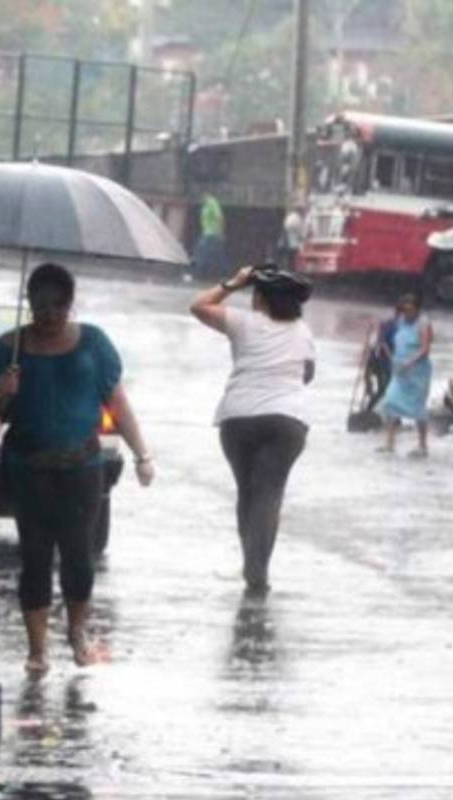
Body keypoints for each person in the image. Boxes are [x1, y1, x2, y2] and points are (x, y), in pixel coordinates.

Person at [0, 263, 154, 675]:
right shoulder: (8, 349)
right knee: (35, 556)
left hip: (82, 469)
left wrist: (142, 454)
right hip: (29, 469)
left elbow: (116, 402)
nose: (48, 316)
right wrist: (4, 392)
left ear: (70, 304)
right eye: (40, 307)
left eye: (57, 307)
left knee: (79, 555)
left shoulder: (93, 344)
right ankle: (37, 647)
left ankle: (77, 630)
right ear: (29, 304)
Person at [190, 263, 315, 600]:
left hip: (238, 419)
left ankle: (252, 564)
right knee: (269, 494)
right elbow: (307, 374)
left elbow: (198, 306)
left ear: (259, 297)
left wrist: (233, 282)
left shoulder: (243, 323)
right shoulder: (302, 331)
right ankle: (257, 570)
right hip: (287, 421)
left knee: (247, 492)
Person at [379, 293, 434, 458]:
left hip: (418, 372)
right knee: (389, 402)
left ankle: (422, 445)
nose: (407, 314)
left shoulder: (424, 323)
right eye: (404, 310)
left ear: (417, 309)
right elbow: (388, 335)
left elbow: (425, 349)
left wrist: (409, 362)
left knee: (418, 408)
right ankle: (389, 443)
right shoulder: (400, 321)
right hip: (399, 370)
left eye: (410, 310)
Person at [363, 304, 399, 413]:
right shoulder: (389, 325)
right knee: (382, 389)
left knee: (389, 389)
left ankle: (383, 411)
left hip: (389, 363)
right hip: (380, 361)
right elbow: (381, 341)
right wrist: (391, 356)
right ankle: (368, 410)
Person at [191, 192, 229, 280]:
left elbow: (220, 217)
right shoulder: (205, 205)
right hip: (207, 233)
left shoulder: (212, 202)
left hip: (212, 234)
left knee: (200, 252)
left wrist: (221, 232)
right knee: (218, 256)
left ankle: (196, 274)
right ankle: (224, 274)